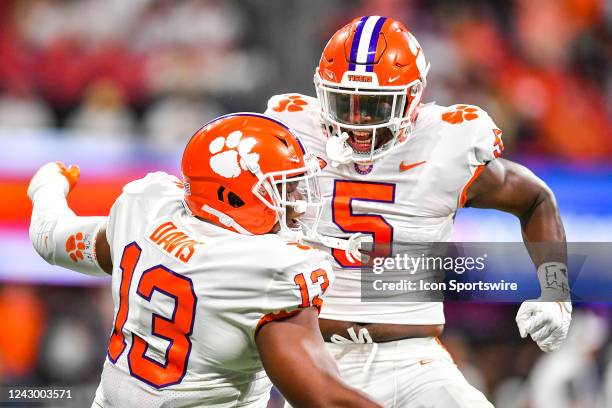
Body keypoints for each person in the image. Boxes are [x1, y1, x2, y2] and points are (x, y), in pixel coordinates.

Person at [263, 16, 572, 407]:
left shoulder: (443, 145)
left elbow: (535, 199)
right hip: (314, 358)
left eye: (373, 107)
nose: (356, 122)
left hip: (413, 360)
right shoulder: (291, 136)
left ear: (413, 98)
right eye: (344, 102)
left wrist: (557, 291)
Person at [27, 113, 381, 408]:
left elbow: (49, 237)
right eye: (284, 190)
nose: (298, 203)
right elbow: (324, 398)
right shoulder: (270, 269)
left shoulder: (147, 210)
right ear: (234, 197)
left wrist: (48, 184)